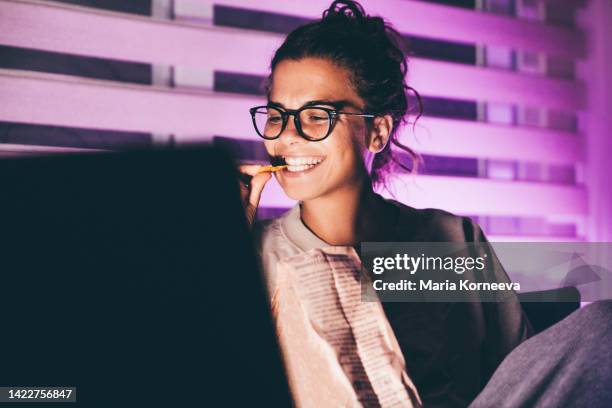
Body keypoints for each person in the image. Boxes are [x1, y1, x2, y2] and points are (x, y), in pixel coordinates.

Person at [239, 1, 532, 406]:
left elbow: (525, 379)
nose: (287, 136)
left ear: (377, 132)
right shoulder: (250, 257)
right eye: (277, 115)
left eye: (315, 115)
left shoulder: (453, 240)